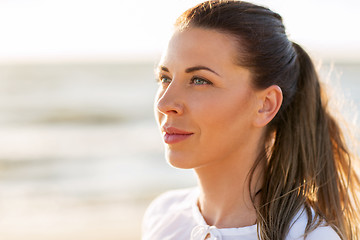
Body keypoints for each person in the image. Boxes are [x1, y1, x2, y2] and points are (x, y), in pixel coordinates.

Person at [142, 1, 360, 239]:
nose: (164, 104)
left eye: (199, 80)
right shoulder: (162, 217)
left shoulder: (309, 236)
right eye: (165, 77)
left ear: (265, 105)